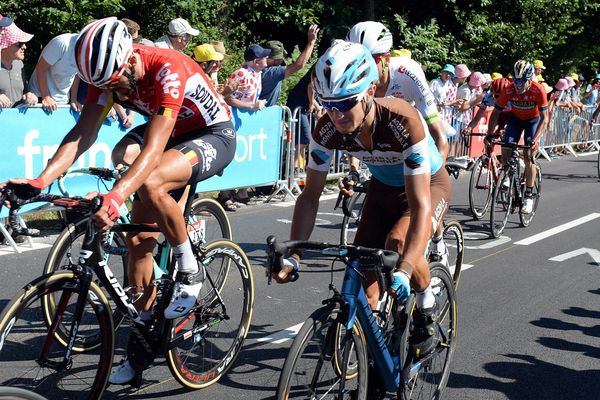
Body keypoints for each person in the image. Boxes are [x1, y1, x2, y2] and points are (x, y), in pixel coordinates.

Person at [3, 17, 236, 384]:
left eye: (115, 82)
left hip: (212, 134)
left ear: (129, 60)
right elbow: (82, 133)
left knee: (152, 179)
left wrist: (116, 196)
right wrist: (39, 180)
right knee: (136, 238)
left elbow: (157, 146)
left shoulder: (166, 69)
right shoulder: (103, 75)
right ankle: (141, 343)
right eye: (104, 86)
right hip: (174, 131)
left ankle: (187, 268)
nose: (113, 90)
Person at [273, 41, 451, 364]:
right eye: (328, 104)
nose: (337, 114)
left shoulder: (402, 121)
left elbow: (421, 206)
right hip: (383, 187)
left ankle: (426, 306)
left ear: (370, 91)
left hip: (428, 187)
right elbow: (310, 196)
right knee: (361, 276)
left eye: (345, 102)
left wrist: (405, 269)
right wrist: (294, 254)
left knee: (398, 243)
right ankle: (374, 359)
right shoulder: (326, 127)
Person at [346, 20, 451, 265]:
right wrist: (354, 169)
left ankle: (437, 239)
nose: (360, 68)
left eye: (368, 61)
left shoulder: (406, 73)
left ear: (384, 58)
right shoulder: (354, 84)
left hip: (413, 135)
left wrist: (434, 174)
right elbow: (352, 132)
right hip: (386, 153)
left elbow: (438, 135)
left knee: (411, 231)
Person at [486, 60, 548, 215]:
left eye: (522, 81)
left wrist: (535, 139)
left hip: (532, 122)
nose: (518, 85)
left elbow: (545, 118)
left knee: (528, 155)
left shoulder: (538, 90)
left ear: (529, 78)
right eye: (515, 80)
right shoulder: (508, 89)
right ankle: (506, 176)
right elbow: (495, 113)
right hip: (515, 120)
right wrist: (489, 132)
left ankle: (528, 195)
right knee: (506, 148)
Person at [259, 25, 319, 106]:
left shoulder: (261, 68)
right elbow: (299, 65)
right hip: (262, 112)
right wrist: (311, 43)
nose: (281, 60)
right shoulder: (271, 72)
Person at [28, 31, 80, 112]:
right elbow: (41, 68)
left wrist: (74, 99)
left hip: (63, 101)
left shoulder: (89, 49)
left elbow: (76, 73)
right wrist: (46, 97)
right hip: (40, 97)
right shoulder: (62, 42)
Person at [0, 21, 37, 107]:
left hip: (16, 118)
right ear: (5, 45)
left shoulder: (19, 64)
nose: (24, 47)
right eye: (19, 44)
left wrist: (29, 95)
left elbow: (23, 91)